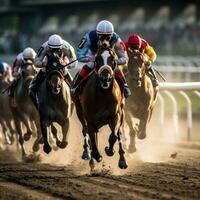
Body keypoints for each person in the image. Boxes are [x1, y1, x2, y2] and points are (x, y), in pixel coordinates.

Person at [71, 20, 131, 98]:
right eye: (101, 36)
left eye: (108, 37)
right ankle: (76, 85)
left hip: (109, 56)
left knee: (116, 67)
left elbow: (125, 58)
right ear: (97, 34)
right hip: (93, 54)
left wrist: (115, 61)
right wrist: (89, 59)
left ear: (111, 35)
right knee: (90, 64)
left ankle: (125, 85)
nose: (104, 39)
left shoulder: (116, 39)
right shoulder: (89, 37)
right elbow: (79, 55)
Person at [29, 34, 77, 108]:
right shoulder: (44, 47)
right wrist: (42, 64)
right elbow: (35, 62)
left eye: (57, 49)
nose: (55, 51)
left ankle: (74, 103)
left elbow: (74, 62)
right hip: (47, 67)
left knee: (74, 88)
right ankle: (38, 105)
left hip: (62, 68)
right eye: (52, 49)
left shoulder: (67, 47)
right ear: (49, 46)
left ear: (61, 46)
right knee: (31, 89)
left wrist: (66, 65)